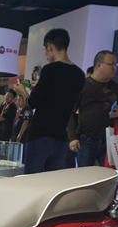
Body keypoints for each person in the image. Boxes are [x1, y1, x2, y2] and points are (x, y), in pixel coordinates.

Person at [13, 29, 85, 174]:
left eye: (45, 50)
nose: (45, 55)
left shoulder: (50, 70)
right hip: (61, 136)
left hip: (41, 135)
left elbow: (32, 103)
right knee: (52, 180)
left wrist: (23, 91)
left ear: (49, 47)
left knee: (32, 179)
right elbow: (60, 97)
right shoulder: (79, 74)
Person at [68, 50, 118, 167]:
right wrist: (72, 137)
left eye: (116, 64)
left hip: (109, 140)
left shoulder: (116, 87)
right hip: (87, 140)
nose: (114, 68)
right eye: (111, 64)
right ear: (98, 65)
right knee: (86, 175)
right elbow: (71, 112)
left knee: (108, 175)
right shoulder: (83, 85)